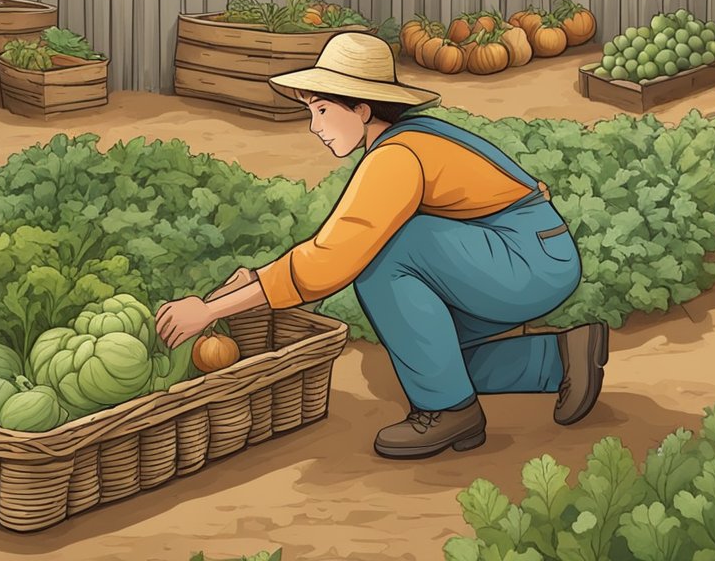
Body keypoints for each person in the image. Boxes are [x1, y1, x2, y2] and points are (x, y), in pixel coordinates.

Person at [155, 32, 604, 460]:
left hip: (529, 260)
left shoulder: (396, 157)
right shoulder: (404, 141)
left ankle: (449, 410)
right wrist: (255, 282)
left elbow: (331, 259)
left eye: (324, 111)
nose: (315, 127)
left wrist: (212, 311)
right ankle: (558, 359)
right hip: (522, 254)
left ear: (364, 109)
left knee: (387, 256)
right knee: (435, 354)